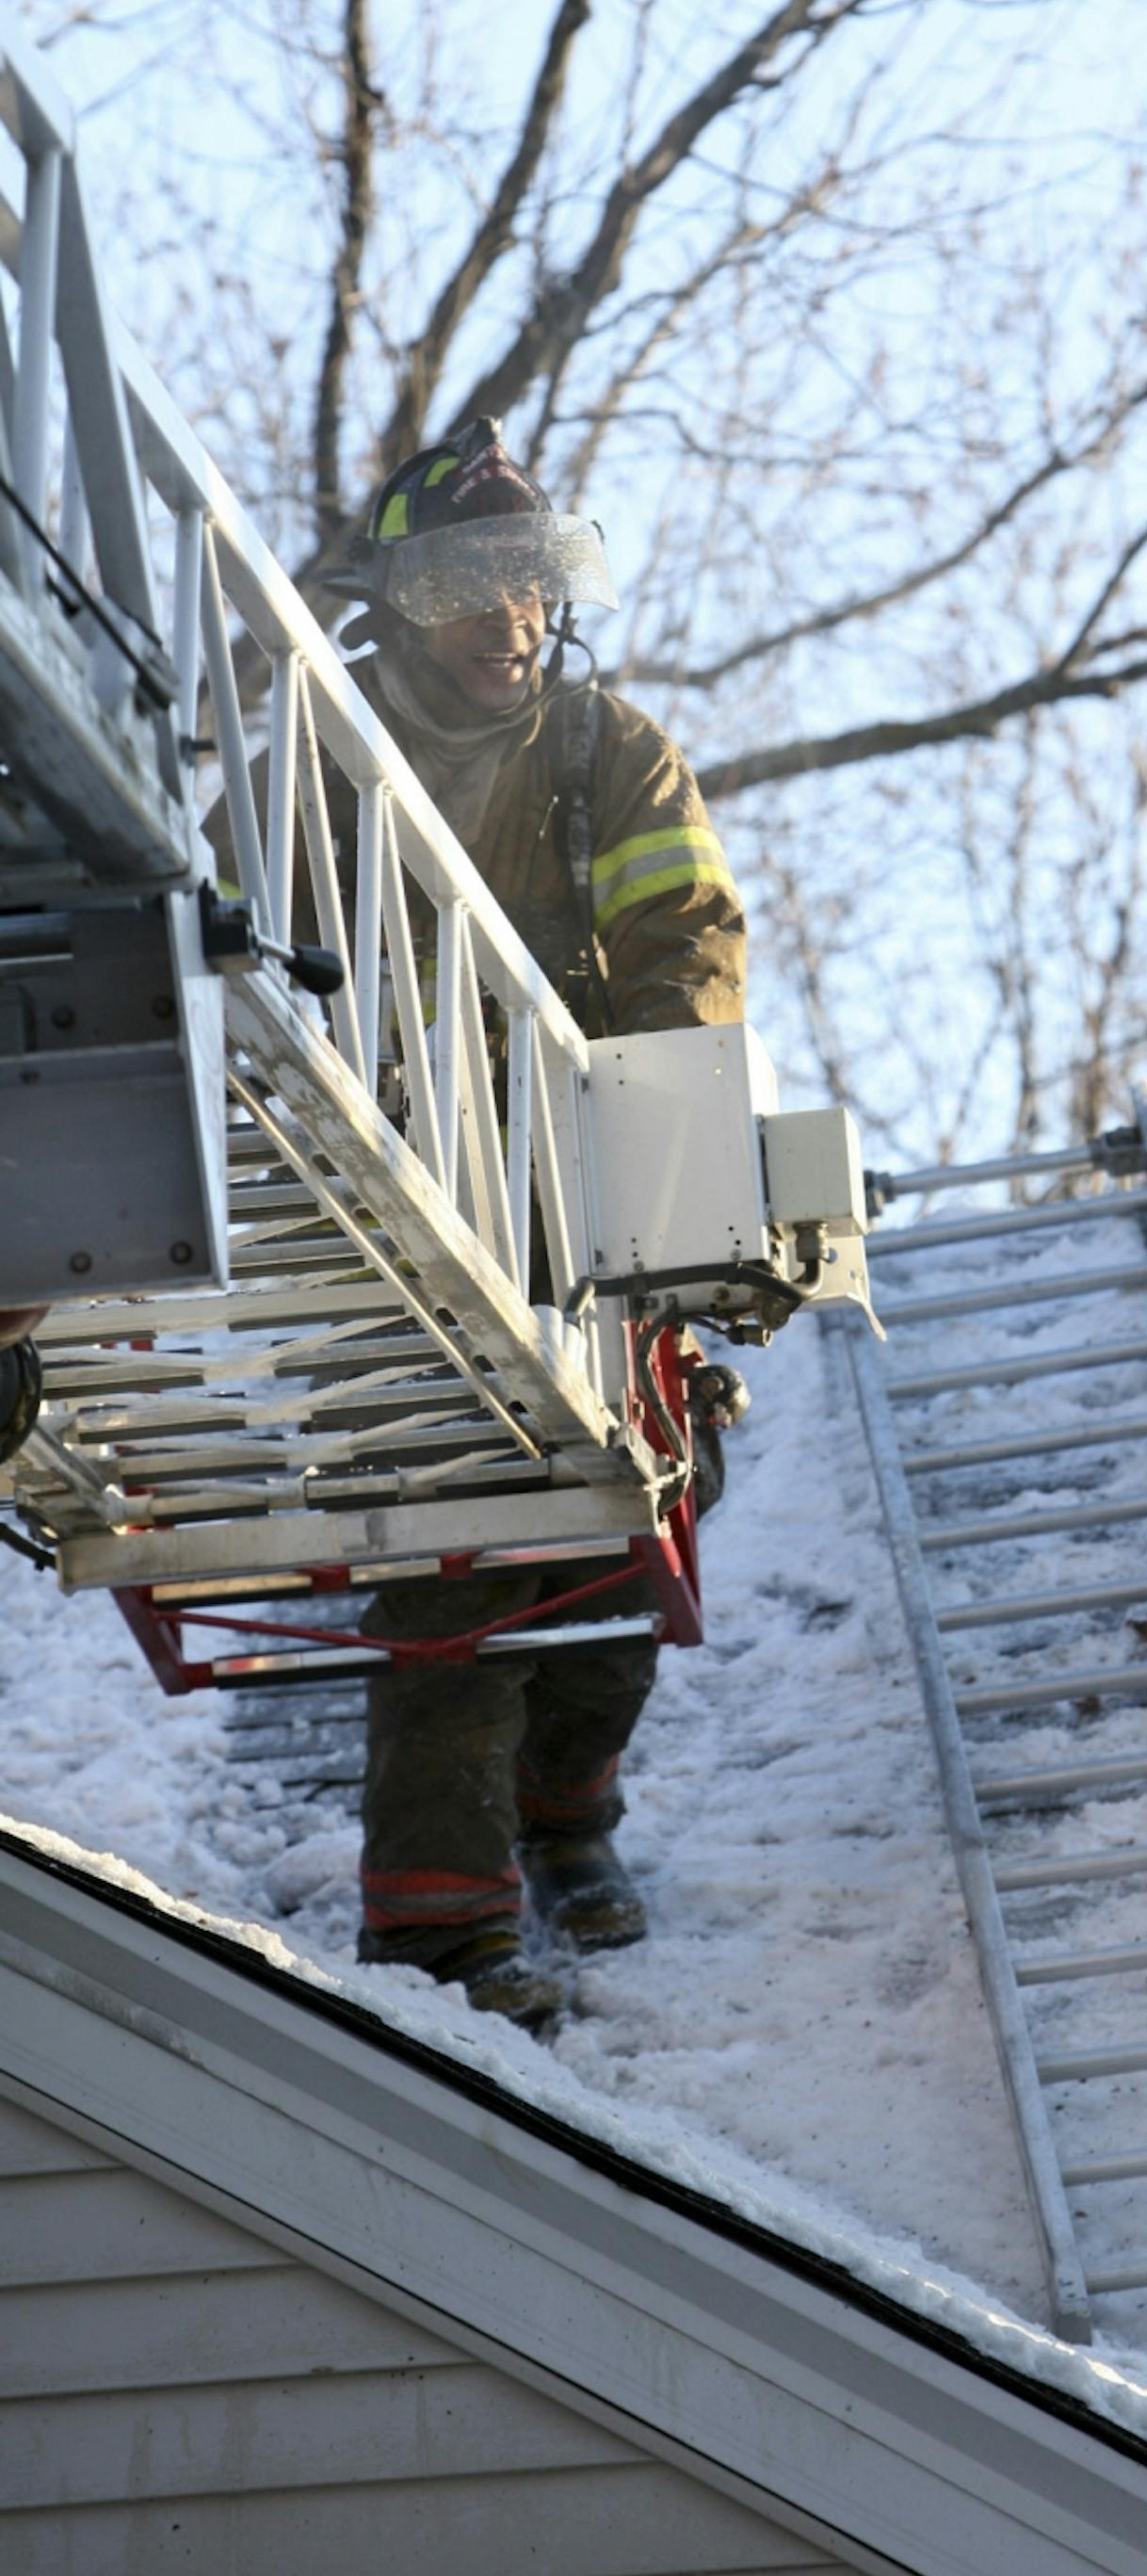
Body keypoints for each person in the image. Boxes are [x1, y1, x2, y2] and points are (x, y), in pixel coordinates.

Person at [329, 417, 746, 2031]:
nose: (505, 617)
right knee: (449, 1559)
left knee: (631, 1531)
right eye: (463, 583)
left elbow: (685, 951)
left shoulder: (610, 756)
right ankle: (443, 1932)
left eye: (528, 578)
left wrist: (683, 1202)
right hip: (398, 1222)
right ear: (398, 604)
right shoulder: (318, 744)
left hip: (588, 1206)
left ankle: (567, 1810)